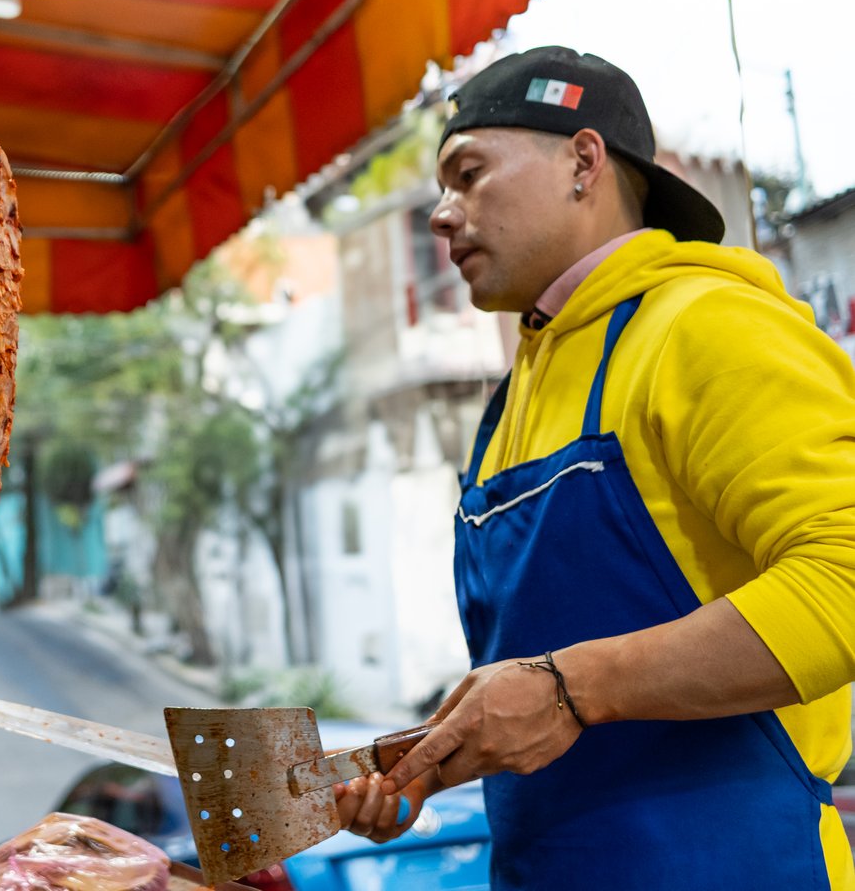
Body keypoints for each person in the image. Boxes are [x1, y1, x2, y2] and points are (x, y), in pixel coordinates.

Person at [333, 46, 855, 889]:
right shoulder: (513, 401)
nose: (441, 214)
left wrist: (571, 689)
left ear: (584, 161)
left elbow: (846, 575)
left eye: (468, 175)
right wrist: (429, 763)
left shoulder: (706, 324)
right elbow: (534, 678)